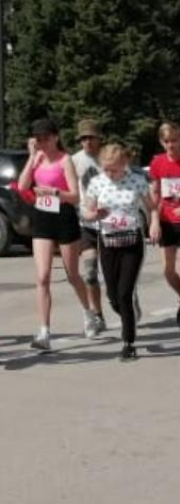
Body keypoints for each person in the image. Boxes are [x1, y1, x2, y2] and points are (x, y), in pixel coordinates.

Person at [17, 118, 92, 351]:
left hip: (64, 218)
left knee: (72, 275)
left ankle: (89, 313)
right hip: (42, 219)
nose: (42, 143)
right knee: (42, 276)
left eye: (46, 139)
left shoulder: (65, 160)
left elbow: (75, 196)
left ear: (55, 138)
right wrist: (31, 157)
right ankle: (44, 331)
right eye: (38, 139)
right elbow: (22, 186)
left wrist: (54, 191)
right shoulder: (37, 158)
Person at [82, 143, 153, 360]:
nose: (109, 173)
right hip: (108, 243)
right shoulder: (97, 182)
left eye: (113, 169)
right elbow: (86, 210)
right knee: (112, 295)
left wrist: (155, 224)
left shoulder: (137, 180)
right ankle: (129, 312)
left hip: (132, 242)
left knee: (124, 293)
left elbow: (152, 207)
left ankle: (128, 342)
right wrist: (93, 214)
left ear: (124, 164)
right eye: (106, 169)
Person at [148, 122, 180, 329]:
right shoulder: (157, 163)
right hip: (166, 221)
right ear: (162, 142)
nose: (171, 145)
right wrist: (153, 220)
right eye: (167, 141)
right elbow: (154, 193)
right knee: (168, 271)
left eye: (175, 140)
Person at [72, 119, 107, 338]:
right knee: (90, 272)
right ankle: (97, 315)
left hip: (110, 224)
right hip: (86, 224)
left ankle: (126, 301)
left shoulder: (108, 158)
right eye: (83, 138)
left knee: (114, 276)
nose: (86, 142)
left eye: (90, 137)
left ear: (98, 138)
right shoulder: (74, 160)